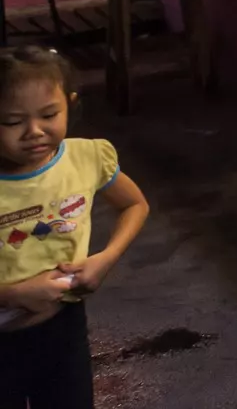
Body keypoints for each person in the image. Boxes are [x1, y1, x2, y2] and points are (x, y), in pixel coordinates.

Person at [0, 47, 151, 409]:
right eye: (11, 121)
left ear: (69, 104)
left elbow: (135, 204)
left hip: (63, 329)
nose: (34, 132)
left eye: (49, 114)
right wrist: (13, 295)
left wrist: (105, 259)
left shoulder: (86, 158)